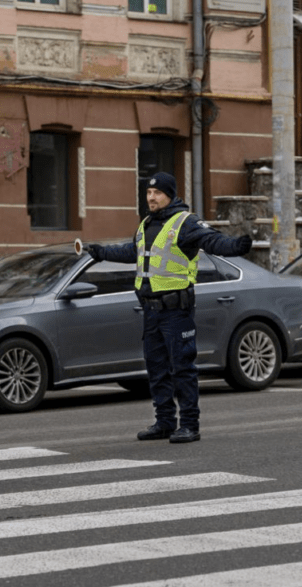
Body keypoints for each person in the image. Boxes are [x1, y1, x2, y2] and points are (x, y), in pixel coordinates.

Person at [84, 172, 252, 444]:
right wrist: (101, 252)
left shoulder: (185, 222)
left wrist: (236, 246)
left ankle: (189, 425)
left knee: (182, 367)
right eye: (148, 193)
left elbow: (211, 241)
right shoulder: (148, 223)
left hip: (176, 310)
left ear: (169, 195)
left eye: (157, 193)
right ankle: (164, 422)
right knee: (157, 367)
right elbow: (133, 253)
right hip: (151, 310)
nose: (151, 197)